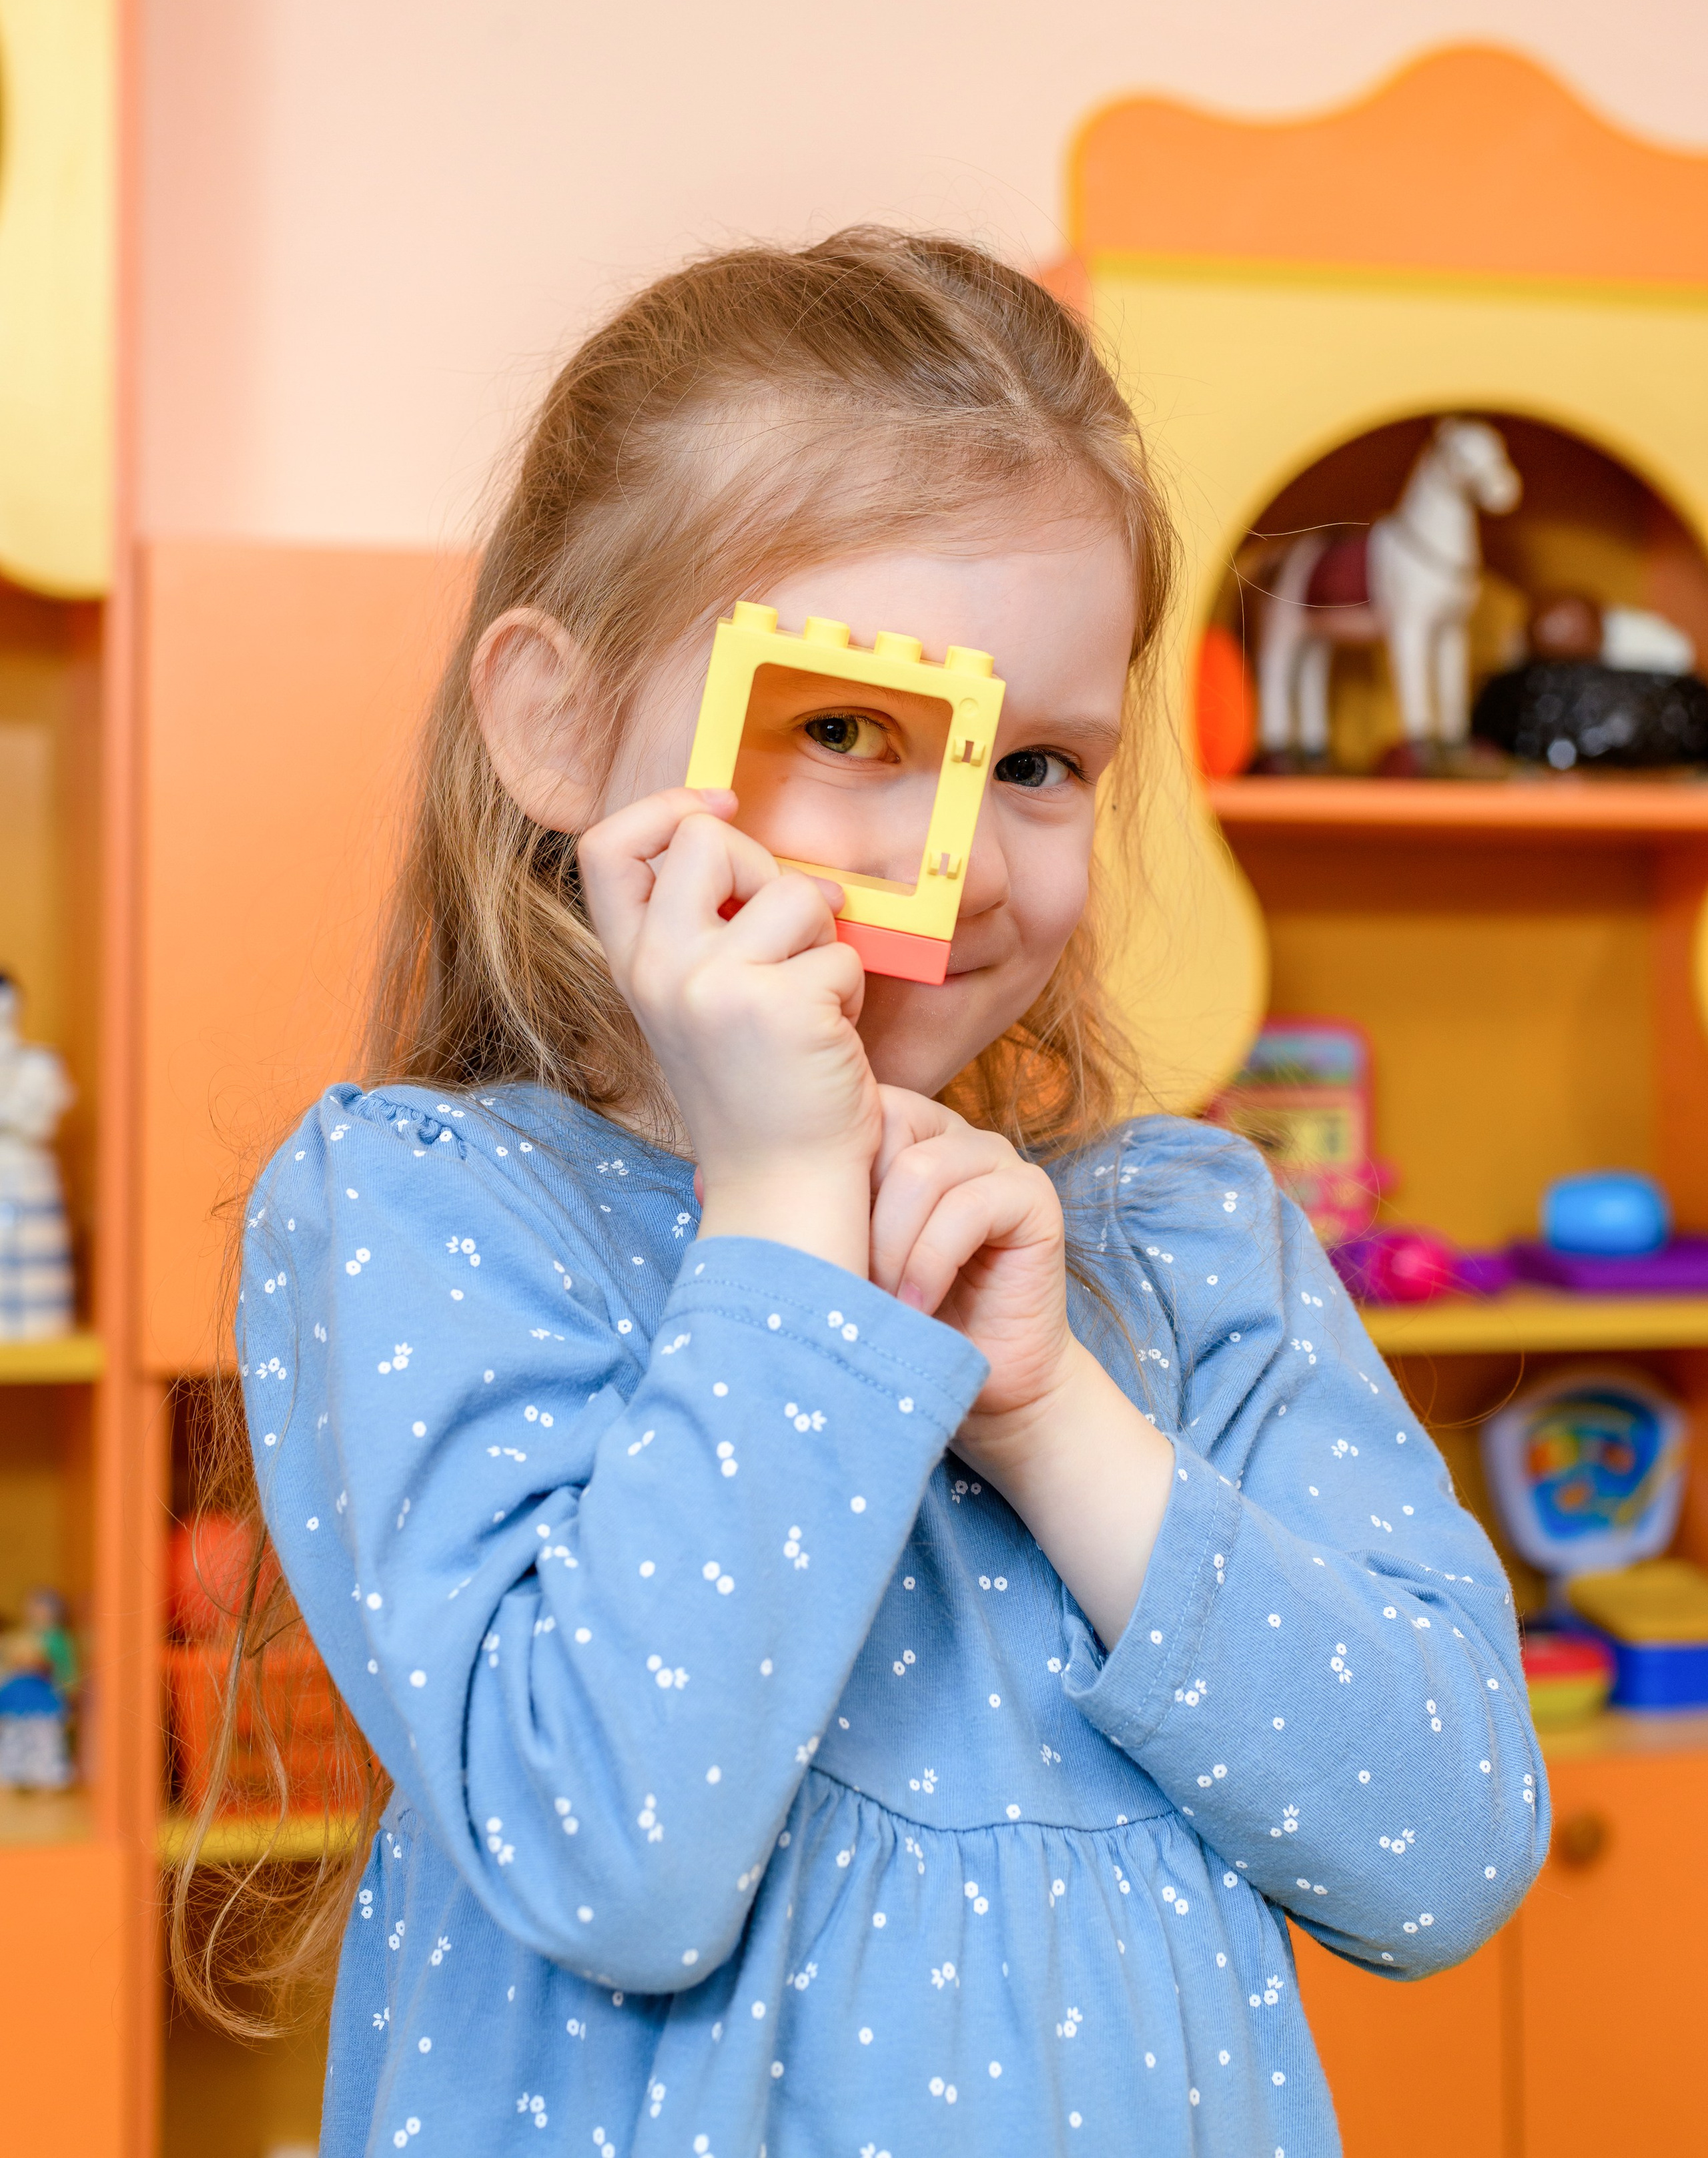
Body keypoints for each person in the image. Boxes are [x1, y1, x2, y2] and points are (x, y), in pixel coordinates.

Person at [201, 233, 1545, 2154]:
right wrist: (780, 1211)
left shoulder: (1176, 1249)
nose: (963, 862)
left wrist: (1055, 1415)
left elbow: (1448, 1847)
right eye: (846, 732)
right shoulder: (431, 1211)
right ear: (556, 725)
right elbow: (618, 1854)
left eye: (1043, 762)